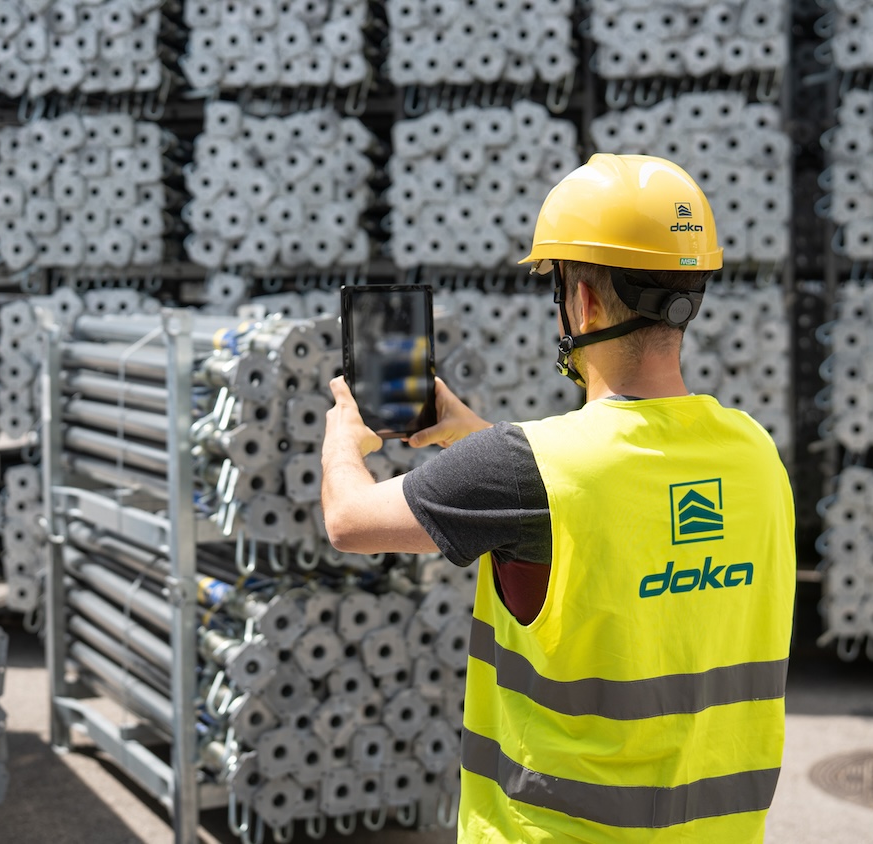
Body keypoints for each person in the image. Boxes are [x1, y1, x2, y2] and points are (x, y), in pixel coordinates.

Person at [320, 154, 795, 842]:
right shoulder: (754, 452)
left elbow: (348, 521)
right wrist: (472, 436)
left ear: (584, 301)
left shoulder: (522, 467)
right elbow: (613, 509)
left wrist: (343, 436)